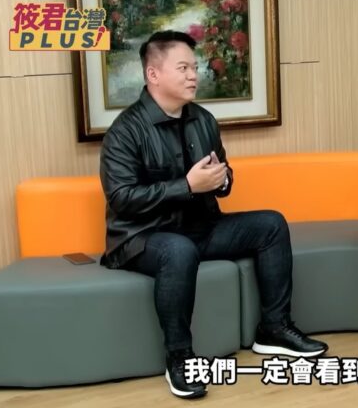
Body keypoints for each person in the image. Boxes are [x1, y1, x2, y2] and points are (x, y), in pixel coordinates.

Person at [99, 30, 328, 399]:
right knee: (178, 251)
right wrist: (188, 186)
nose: (194, 75)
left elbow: (222, 173)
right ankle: (179, 357)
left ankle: (274, 328)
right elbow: (122, 198)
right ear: (153, 74)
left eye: (195, 67)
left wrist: (221, 181)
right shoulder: (125, 131)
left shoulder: (203, 119)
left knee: (270, 224)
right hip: (142, 238)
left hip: (201, 228)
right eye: (183, 68)